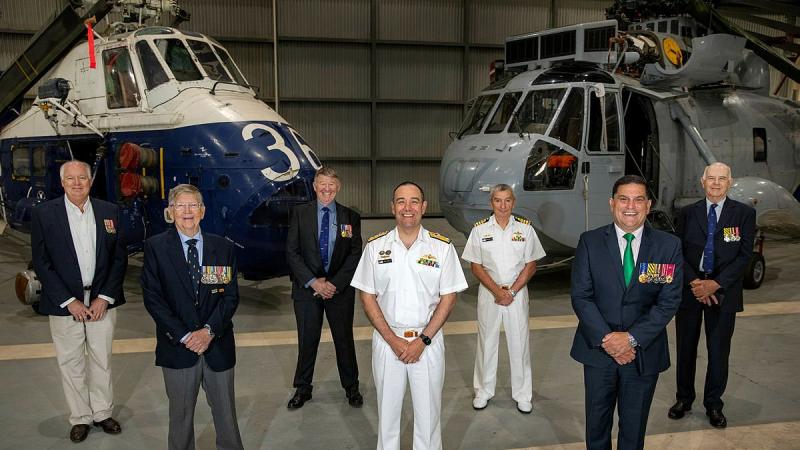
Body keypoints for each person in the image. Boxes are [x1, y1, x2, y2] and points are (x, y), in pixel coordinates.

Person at [351, 181, 467, 450]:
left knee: (428, 420)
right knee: (387, 418)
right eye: (401, 201)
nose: (408, 207)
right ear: (393, 207)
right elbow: (367, 296)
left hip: (427, 344)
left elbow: (449, 298)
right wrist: (393, 340)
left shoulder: (442, 248)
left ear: (424, 207)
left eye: (414, 201)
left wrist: (422, 341)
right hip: (386, 342)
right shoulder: (375, 247)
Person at [570, 175, 682, 450]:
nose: (630, 206)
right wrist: (609, 339)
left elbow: (668, 302)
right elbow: (581, 296)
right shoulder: (590, 242)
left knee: (634, 428)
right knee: (597, 426)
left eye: (638, 199)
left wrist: (629, 339)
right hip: (598, 350)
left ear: (648, 204)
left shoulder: (668, 246)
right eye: (624, 199)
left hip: (643, 352)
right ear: (612, 203)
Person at [140, 184, 243, 450]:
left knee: (227, 417)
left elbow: (229, 297)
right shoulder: (155, 248)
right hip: (178, 348)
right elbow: (153, 299)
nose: (187, 211)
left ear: (203, 211)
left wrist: (208, 331)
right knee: (181, 418)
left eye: (193, 205)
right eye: (180, 206)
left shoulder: (223, 248)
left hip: (217, 345)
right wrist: (186, 335)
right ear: (170, 211)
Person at [31, 160, 126, 443]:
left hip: (100, 302)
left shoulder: (109, 212)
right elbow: (42, 261)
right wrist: (69, 301)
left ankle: (102, 413)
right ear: (62, 182)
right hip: (66, 304)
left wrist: (104, 298)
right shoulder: (44, 214)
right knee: (70, 362)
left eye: (82, 177)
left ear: (90, 180)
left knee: (102, 359)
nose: (76, 183)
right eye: (70, 178)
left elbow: (119, 258)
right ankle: (81, 418)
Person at [669, 162, 756, 428]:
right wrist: (696, 282)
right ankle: (684, 399)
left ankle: (714, 405)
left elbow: (744, 255)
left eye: (722, 179)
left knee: (719, 352)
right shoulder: (686, 213)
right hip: (690, 292)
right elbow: (677, 252)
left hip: (724, 293)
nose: (716, 183)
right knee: (686, 349)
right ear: (702, 181)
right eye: (711, 178)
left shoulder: (744, 214)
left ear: (730, 182)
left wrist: (716, 283)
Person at [461, 184, 545, 414]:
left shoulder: (526, 230)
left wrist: (512, 292)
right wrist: (497, 291)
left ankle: (523, 394)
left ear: (513, 202)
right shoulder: (479, 230)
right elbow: (475, 265)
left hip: (517, 294)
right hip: (489, 294)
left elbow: (531, 264)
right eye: (498, 200)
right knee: (486, 342)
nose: (503, 205)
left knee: (519, 344)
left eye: (507, 200)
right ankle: (483, 391)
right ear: (491, 203)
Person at [285, 166, 363, 409]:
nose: (327, 189)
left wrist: (333, 284)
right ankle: (303, 387)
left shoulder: (350, 217)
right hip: (306, 290)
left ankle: (351, 387)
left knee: (344, 340)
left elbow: (354, 254)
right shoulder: (299, 213)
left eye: (331, 185)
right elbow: (292, 251)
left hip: (339, 291)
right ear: (314, 186)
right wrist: (313, 281)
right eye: (322, 185)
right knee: (307, 340)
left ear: (338, 187)